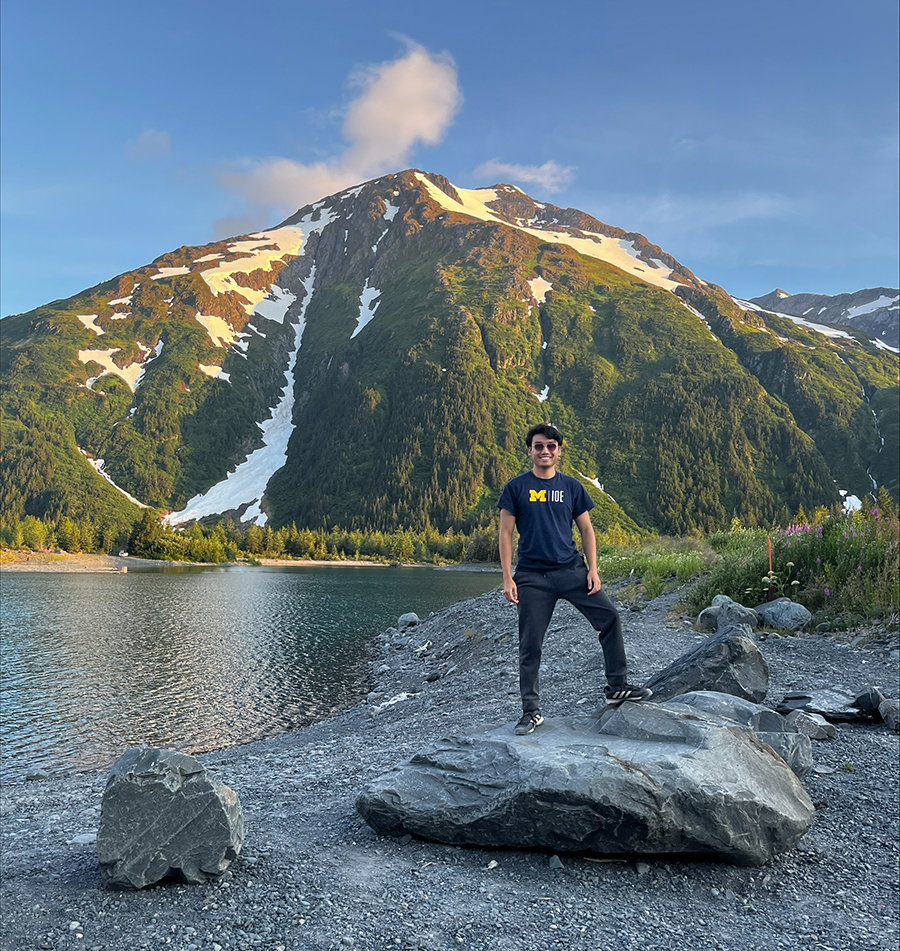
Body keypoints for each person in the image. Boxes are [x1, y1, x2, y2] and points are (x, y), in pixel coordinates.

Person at [498, 423, 651, 735]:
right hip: (531, 577)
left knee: (609, 617)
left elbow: (586, 530)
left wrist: (593, 570)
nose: (545, 451)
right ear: (529, 450)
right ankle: (531, 711)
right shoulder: (515, 488)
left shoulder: (571, 487)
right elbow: (504, 533)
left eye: (551, 446)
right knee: (530, 644)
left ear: (559, 451)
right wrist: (507, 578)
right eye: (539, 446)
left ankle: (617, 687)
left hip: (571, 571)